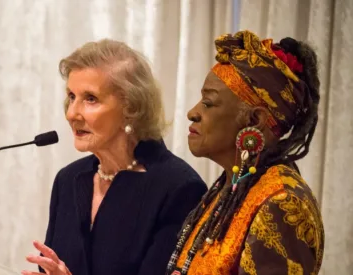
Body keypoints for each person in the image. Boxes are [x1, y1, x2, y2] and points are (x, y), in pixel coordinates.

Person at [21, 39, 207, 275]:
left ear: (131, 108)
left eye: (90, 98)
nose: (71, 113)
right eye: (71, 96)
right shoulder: (68, 180)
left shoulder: (179, 190)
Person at [165, 30, 325, 275]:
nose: (193, 112)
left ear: (255, 119)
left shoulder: (282, 202)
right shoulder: (232, 189)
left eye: (208, 103)